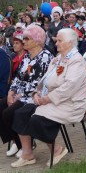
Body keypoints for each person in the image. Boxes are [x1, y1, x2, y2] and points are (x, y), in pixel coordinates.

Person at [10, 29, 86, 168]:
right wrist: (36, 93)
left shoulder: (76, 61)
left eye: (59, 41)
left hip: (69, 104)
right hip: (51, 101)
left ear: (70, 43)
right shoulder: (58, 58)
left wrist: (46, 99)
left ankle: (57, 149)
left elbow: (69, 88)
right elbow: (44, 80)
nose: (55, 43)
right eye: (56, 40)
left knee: (36, 118)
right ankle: (27, 154)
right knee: (21, 113)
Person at [0, 25, 53, 160]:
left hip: (33, 97)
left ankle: (24, 146)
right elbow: (18, 77)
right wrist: (12, 91)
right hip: (21, 94)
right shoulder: (27, 56)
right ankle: (18, 141)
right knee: (1, 106)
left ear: (37, 40)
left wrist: (19, 95)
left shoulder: (46, 57)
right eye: (23, 38)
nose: (24, 41)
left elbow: (39, 83)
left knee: (9, 113)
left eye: (27, 38)